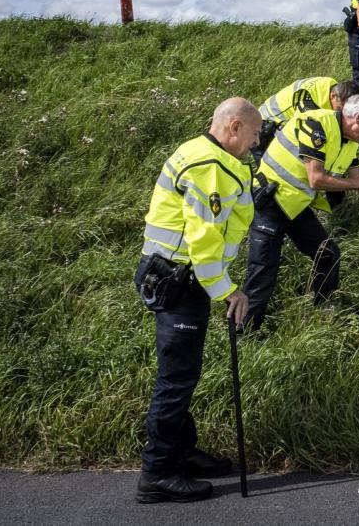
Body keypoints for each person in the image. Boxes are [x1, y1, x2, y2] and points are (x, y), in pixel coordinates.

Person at [135, 97, 262, 503]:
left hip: (182, 279)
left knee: (182, 373)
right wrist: (227, 291)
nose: (256, 143)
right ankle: (157, 474)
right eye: (255, 134)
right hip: (180, 281)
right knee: (175, 380)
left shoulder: (207, 155)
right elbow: (203, 239)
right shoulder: (209, 166)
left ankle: (182, 452)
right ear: (235, 127)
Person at [243, 93, 359, 331]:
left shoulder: (350, 143)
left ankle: (323, 309)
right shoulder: (317, 124)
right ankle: (244, 332)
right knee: (263, 271)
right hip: (270, 200)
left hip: (295, 205)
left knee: (328, 254)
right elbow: (316, 179)